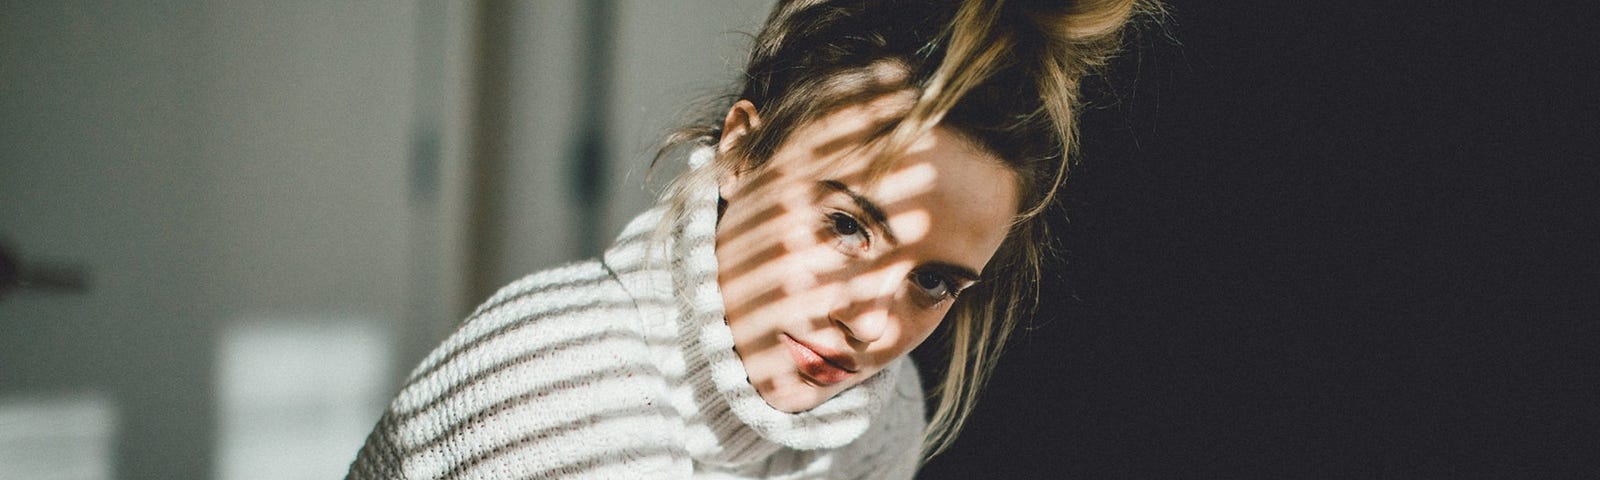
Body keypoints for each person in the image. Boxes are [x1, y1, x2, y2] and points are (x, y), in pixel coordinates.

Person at [347, 0, 1151, 477]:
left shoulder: (875, 413)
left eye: (934, 282)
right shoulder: (560, 392)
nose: (873, 329)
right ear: (739, 150)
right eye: (846, 226)